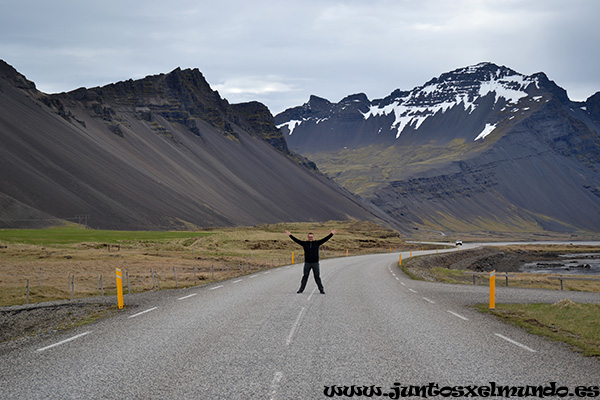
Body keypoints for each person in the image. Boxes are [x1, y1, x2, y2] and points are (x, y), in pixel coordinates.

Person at [286, 229, 337, 294]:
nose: (310, 238)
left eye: (311, 237)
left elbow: (325, 239)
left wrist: (331, 234)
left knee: (317, 277)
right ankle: (301, 290)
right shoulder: (305, 244)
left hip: (315, 263)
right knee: (305, 276)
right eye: (309, 237)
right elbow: (296, 241)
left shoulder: (317, 243)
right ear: (308, 237)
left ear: (313, 237)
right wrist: (290, 235)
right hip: (307, 263)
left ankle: (321, 290)